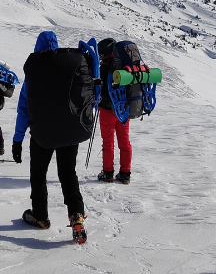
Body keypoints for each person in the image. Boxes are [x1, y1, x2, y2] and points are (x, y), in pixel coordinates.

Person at [12, 31, 92, 243]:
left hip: (42, 134)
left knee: (38, 174)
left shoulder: (34, 71)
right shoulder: (69, 67)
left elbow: (23, 109)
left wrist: (17, 140)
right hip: (69, 132)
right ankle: (76, 216)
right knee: (68, 173)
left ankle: (40, 216)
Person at [96, 37, 132, 184]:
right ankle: (125, 174)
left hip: (107, 111)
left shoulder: (103, 67)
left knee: (108, 143)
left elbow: (100, 90)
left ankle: (108, 173)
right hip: (123, 110)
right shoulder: (124, 66)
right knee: (124, 142)